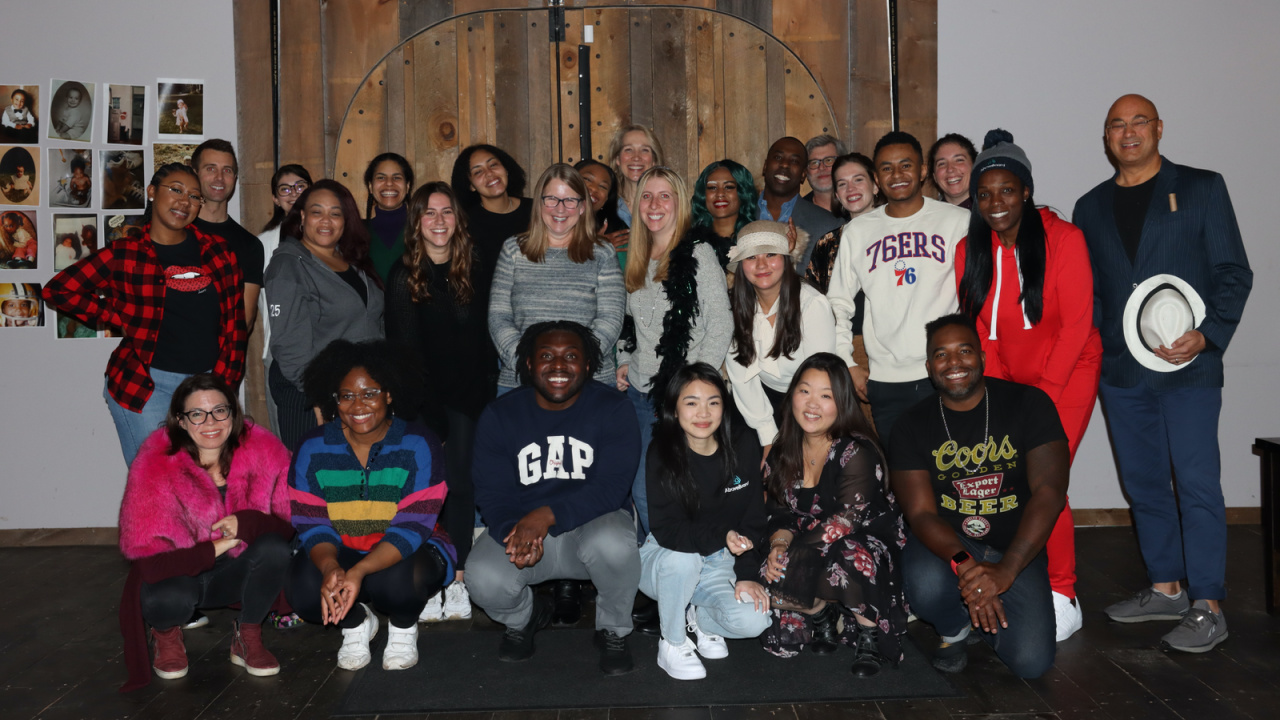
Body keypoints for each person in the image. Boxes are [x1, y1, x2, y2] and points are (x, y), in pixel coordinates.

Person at [1072, 94, 1253, 653]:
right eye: (1116, 125)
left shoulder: (1202, 187)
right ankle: (1166, 587)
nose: (1128, 133)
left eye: (1138, 122)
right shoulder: (1090, 207)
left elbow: (1234, 272)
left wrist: (1210, 334)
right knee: (1144, 482)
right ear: (1106, 137)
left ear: (1158, 129)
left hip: (1190, 366)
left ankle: (1207, 604)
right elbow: (1095, 293)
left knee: (1197, 483)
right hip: (1123, 372)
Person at [955, 129, 1102, 642]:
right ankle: (1020, 579)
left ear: (1027, 191)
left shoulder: (1065, 239)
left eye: (1007, 190)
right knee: (1009, 479)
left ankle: (1064, 592)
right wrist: (998, 398)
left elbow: (1076, 324)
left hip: (1070, 373)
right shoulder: (968, 249)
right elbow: (978, 331)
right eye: (985, 194)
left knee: (1045, 481)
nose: (996, 202)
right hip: (1010, 381)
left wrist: (1041, 397)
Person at [892, 314, 1066, 679]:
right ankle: (955, 626)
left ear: (982, 358)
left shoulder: (1029, 403)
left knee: (1033, 663)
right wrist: (966, 565)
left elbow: (1050, 493)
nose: (954, 363)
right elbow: (921, 514)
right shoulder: (911, 424)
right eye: (941, 355)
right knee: (923, 582)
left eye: (964, 351)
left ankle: (983, 612)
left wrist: (1007, 570)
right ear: (929, 367)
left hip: (1014, 547)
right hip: (949, 547)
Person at [43, 163, 246, 466]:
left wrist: (224, 387)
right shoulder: (124, 253)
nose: (184, 201)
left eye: (194, 196)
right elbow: (58, 290)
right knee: (158, 489)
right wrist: (118, 317)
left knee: (210, 482)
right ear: (152, 192)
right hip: (147, 388)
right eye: (175, 190)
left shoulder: (219, 251)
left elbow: (235, 326)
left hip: (207, 390)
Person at [468, 321, 642, 675]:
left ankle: (613, 628)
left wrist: (545, 515)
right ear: (529, 364)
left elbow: (611, 488)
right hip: (528, 532)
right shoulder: (500, 415)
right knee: (482, 577)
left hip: (593, 528)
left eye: (571, 356)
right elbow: (491, 492)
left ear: (589, 365)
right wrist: (510, 532)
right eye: (546, 356)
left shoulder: (613, 408)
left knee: (614, 541)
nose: (559, 366)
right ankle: (526, 618)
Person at [117, 373, 294, 690]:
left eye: (219, 410)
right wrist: (217, 547)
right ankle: (167, 635)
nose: (210, 422)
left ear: (232, 413)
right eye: (197, 414)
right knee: (169, 597)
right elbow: (151, 564)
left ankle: (248, 635)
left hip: (237, 573)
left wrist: (250, 522)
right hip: (177, 576)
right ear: (181, 421)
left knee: (275, 549)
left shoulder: (265, 452)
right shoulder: (155, 465)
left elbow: (287, 526)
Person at [287, 339, 454, 672]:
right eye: (346, 395)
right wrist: (331, 567)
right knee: (304, 590)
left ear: (389, 395)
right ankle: (355, 623)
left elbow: (412, 525)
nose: (357, 405)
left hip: (409, 546)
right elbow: (311, 520)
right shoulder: (313, 446)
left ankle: (404, 625)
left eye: (369, 393)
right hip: (341, 544)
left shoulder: (419, 442)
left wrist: (360, 571)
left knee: (394, 583)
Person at [385, 182, 497, 623]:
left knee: (464, 486)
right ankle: (430, 575)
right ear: (416, 221)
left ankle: (461, 577)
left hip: (472, 395)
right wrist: (431, 418)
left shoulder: (475, 265)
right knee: (427, 491)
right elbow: (405, 356)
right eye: (428, 213)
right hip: (424, 401)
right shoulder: (403, 274)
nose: (438, 220)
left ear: (457, 219)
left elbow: (484, 338)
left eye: (446, 211)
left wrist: (478, 401)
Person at [760, 353, 908, 677]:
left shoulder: (856, 451)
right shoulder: (783, 449)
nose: (812, 404)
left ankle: (868, 632)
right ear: (792, 395)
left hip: (862, 537)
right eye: (805, 391)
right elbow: (778, 513)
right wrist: (779, 547)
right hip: (807, 538)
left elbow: (846, 520)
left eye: (825, 396)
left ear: (841, 403)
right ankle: (821, 613)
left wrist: (796, 555)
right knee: (765, 580)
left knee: (849, 554)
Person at [826, 131, 970, 449]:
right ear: (877, 177)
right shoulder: (858, 232)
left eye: (906, 165)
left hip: (946, 374)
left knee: (951, 478)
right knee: (904, 484)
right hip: (885, 381)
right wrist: (847, 363)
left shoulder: (958, 222)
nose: (897, 175)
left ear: (922, 171)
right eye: (887, 168)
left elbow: (977, 297)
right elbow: (837, 302)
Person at [617, 166, 733, 536]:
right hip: (638, 394)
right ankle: (660, 570)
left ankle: (684, 566)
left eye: (664, 196)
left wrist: (694, 386)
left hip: (680, 395)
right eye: (646, 196)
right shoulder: (637, 255)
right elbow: (628, 322)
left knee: (662, 489)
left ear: (679, 204)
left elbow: (721, 324)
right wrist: (623, 359)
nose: (654, 204)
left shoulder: (698, 254)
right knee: (639, 488)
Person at [640, 363, 771, 680]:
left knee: (756, 621)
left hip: (720, 558)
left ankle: (698, 616)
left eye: (713, 402)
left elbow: (753, 518)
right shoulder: (662, 451)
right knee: (683, 562)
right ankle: (671, 642)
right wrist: (723, 534)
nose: (703, 412)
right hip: (667, 556)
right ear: (674, 407)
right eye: (691, 402)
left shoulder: (743, 445)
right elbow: (669, 530)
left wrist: (747, 572)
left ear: (724, 407)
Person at [265, 180, 384, 451]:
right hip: (309, 393)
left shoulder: (353, 261)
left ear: (345, 220)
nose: (326, 220)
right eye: (317, 212)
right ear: (303, 217)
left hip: (356, 389)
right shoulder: (288, 264)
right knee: (315, 480)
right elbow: (289, 344)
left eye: (335, 213)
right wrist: (319, 397)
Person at [488, 163, 625, 394]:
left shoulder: (602, 252)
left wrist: (578, 363)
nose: (560, 209)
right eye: (552, 199)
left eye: (570, 200)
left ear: (582, 207)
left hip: (591, 383)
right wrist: (527, 363)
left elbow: (610, 318)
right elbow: (499, 316)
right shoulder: (513, 250)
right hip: (522, 382)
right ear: (539, 204)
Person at [724, 221, 836, 454]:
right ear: (742, 265)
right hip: (758, 404)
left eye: (771, 254)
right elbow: (743, 379)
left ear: (786, 259)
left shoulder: (812, 304)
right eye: (751, 257)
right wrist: (767, 437)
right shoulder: (733, 308)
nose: (761, 264)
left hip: (812, 402)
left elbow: (820, 378)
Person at [256, 164, 314, 431]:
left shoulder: (328, 236)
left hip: (325, 351)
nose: (294, 193)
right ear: (275, 198)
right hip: (280, 353)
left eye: (300, 186)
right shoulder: (262, 243)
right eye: (285, 189)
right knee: (286, 439)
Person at [192, 140, 266, 334]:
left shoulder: (250, 245)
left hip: (225, 358)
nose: (219, 178)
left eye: (227, 170)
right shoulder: (174, 234)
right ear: (194, 173)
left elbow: (245, 322)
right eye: (210, 168)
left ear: (235, 177)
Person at [758, 136, 841, 273]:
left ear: (803, 175)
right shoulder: (741, 213)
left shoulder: (829, 226)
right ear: (765, 166)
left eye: (794, 161)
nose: (784, 165)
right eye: (778, 158)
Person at [450, 143, 531, 279]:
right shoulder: (465, 225)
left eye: (493, 165)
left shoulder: (538, 210)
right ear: (471, 185)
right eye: (478, 171)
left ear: (506, 169)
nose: (489, 173)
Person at [690, 158, 760, 272]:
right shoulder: (690, 245)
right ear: (703, 194)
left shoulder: (759, 240)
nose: (720, 194)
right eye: (712, 188)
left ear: (743, 193)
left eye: (729, 187)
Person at [363, 152, 414, 284]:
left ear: (407, 186)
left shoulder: (423, 228)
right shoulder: (357, 232)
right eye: (381, 178)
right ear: (370, 186)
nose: (389, 183)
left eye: (397, 178)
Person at [574, 158, 630, 267]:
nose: (594, 188)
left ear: (606, 200)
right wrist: (593, 247)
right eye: (587, 179)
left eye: (603, 187)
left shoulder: (617, 233)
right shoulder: (550, 222)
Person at [607, 124, 664, 229]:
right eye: (628, 149)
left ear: (654, 161)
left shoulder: (667, 206)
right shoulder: (604, 206)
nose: (636, 157)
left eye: (644, 150)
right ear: (617, 159)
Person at [929, 133, 977, 208]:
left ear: (974, 166)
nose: (950, 169)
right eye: (942, 164)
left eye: (959, 160)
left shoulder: (990, 214)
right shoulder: (929, 217)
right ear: (934, 176)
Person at [802, 135, 848, 214]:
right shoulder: (796, 215)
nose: (822, 168)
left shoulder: (860, 207)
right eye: (814, 162)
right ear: (806, 171)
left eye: (829, 160)